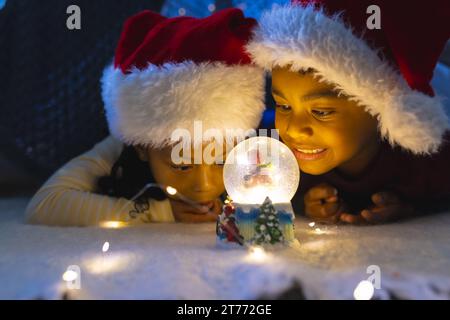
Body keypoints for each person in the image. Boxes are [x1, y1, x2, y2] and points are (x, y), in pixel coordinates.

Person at [25, 8, 266, 226]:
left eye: (222, 161)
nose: (203, 185)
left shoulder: (249, 146)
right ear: (142, 146)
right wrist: (156, 211)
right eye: (182, 165)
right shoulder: (124, 144)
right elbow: (45, 204)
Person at [247, 0, 450, 224]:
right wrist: (302, 201)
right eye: (284, 106)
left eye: (321, 111)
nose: (294, 130)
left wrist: (413, 209)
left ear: (378, 107)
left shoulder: (428, 163)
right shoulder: (270, 153)